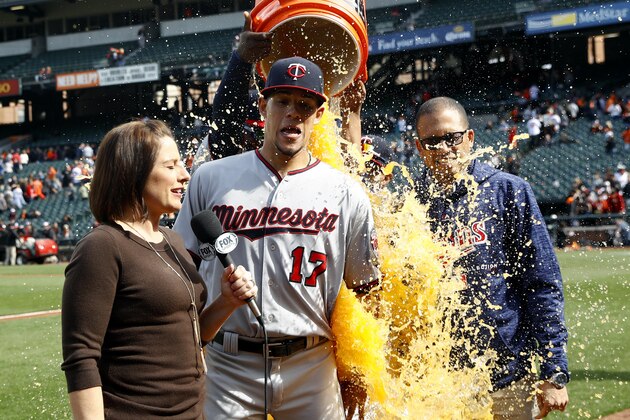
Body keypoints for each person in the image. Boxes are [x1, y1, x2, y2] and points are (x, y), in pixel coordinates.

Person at [173, 57, 380, 419]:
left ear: (319, 115)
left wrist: (357, 370)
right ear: (262, 106)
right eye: (282, 100)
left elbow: (367, 295)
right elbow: (182, 270)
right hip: (227, 364)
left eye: (304, 105)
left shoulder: (346, 193)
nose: (293, 113)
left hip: (312, 365)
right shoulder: (210, 178)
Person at [61, 120, 258, 418]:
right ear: (133, 174)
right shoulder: (102, 246)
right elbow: (81, 358)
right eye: (171, 166)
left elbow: (191, 336)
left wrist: (226, 302)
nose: (184, 174)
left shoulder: (173, 240)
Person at [413, 97, 569, 419]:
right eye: (432, 141)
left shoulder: (508, 191)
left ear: (469, 138)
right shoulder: (413, 204)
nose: (443, 148)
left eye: (452, 138)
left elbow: (542, 284)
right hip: (443, 379)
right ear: (419, 148)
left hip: (509, 374)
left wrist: (554, 369)